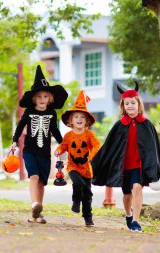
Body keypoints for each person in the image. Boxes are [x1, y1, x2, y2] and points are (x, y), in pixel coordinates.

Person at [91, 82, 160, 232]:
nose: (130, 106)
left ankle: (136, 221)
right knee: (127, 194)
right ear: (123, 106)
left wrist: (156, 166)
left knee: (137, 188)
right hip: (124, 166)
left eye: (133, 103)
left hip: (139, 166)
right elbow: (109, 147)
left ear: (139, 104)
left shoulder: (147, 124)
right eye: (127, 103)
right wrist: (96, 163)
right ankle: (128, 214)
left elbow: (154, 148)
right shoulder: (119, 125)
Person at [12, 65, 68, 224]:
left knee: (42, 182)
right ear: (34, 99)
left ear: (50, 98)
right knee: (34, 176)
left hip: (44, 152)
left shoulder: (51, 113)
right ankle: (34, 204)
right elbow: (20, 126)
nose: (42, 99)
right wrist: (15, 141)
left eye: (45, 96)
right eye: (39, 97)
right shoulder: (29, 112)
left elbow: (55, 131)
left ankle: (37, 212)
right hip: (29, 150)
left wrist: (65, 144)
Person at [54, 90, 100, 226]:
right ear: (70, 121)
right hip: (73, 167)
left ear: (86, 121)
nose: (79, 119)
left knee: (88, 195)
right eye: (76, 117)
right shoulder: (68, 136)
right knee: (77, 184)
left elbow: (97, 146)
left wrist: (91, 156)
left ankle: (88, 217)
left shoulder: (89, 135)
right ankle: (75, 201)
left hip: (87, 169)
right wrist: (58, 150)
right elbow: (63, 146)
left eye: (82, 117)